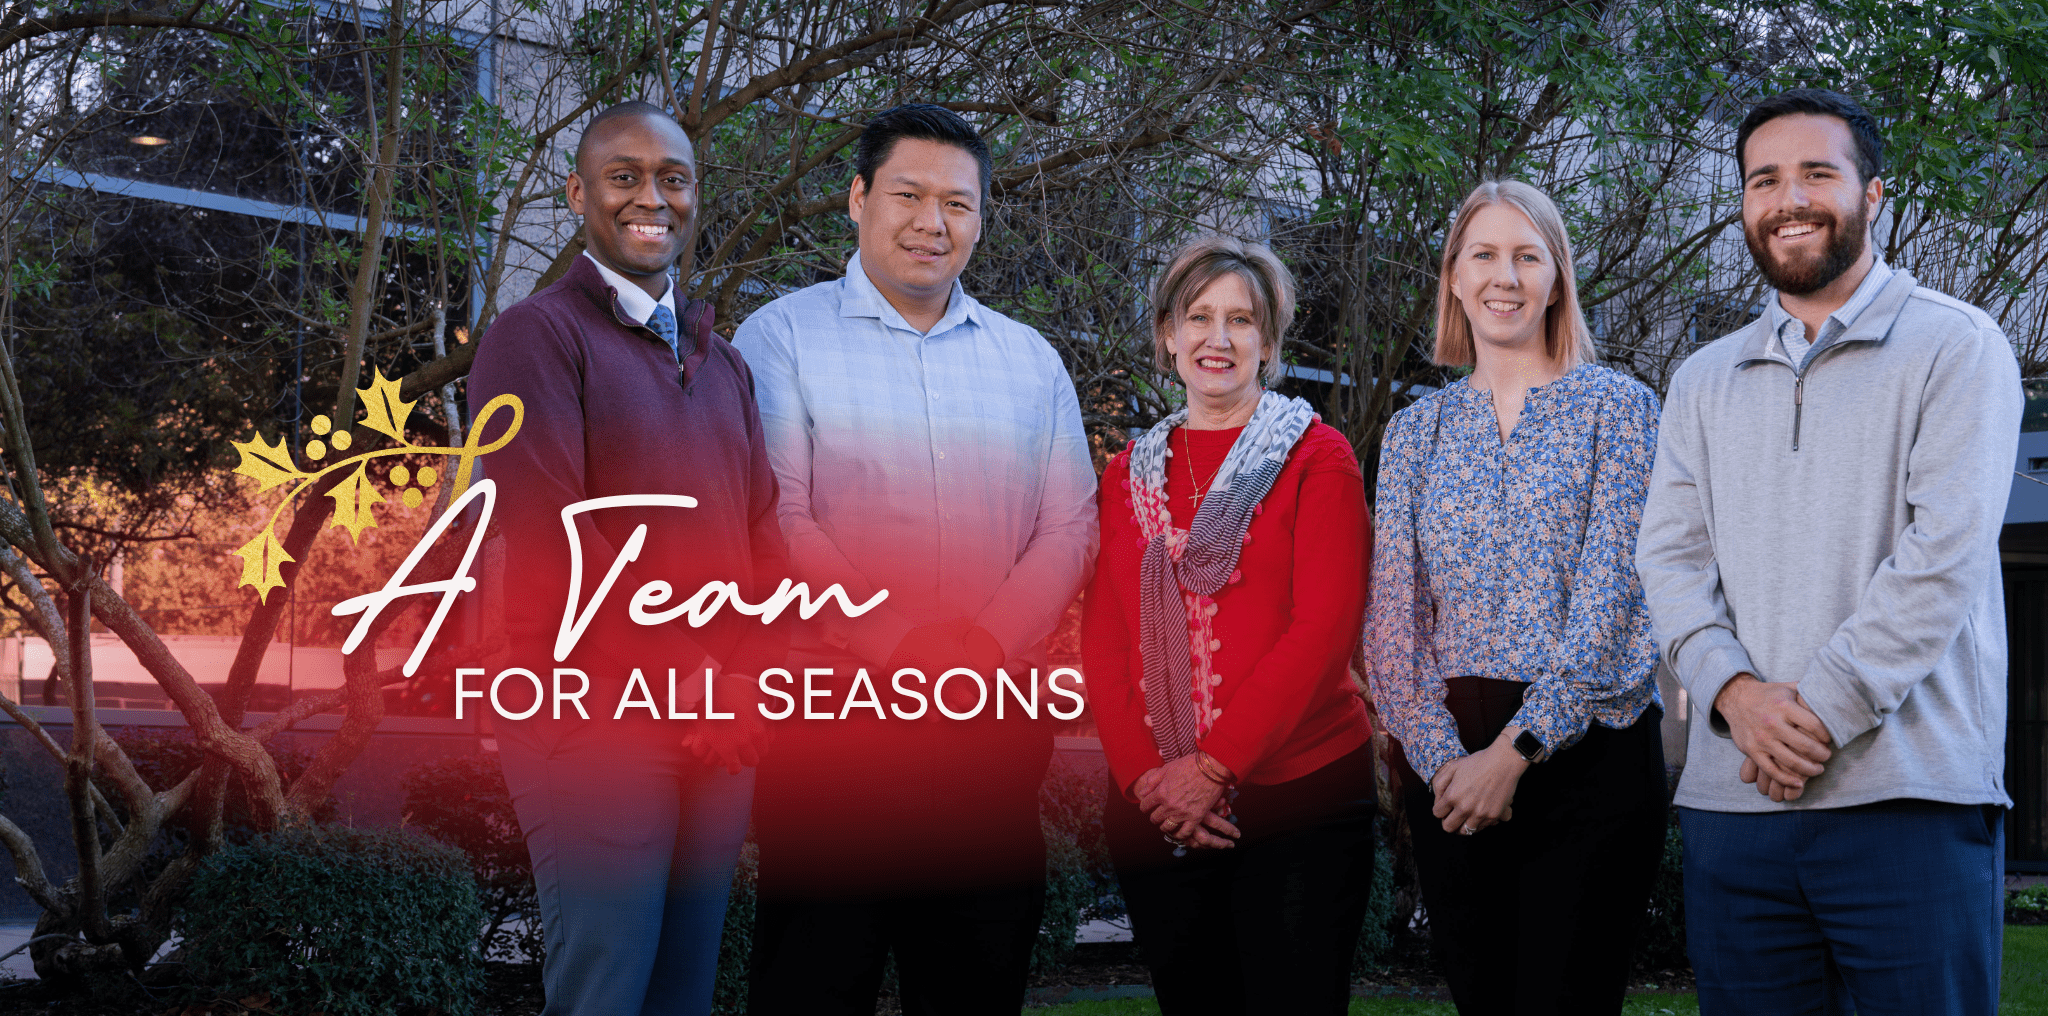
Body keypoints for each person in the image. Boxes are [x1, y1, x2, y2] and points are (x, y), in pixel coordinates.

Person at [1636, 88, 2021, 1015]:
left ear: (1874, 194)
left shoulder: (1957, 347)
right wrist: (1736, 698)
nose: (1789, 197)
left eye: (1817, 172)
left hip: (1907, 801)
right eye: (1765, 179)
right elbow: (1670, 564)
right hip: (1735, 812)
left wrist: (1808, 718)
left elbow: (1943, 557)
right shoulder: (1701, 378)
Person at [732, 103, 1097, 1016]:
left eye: (958, 204)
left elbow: (1070, 530)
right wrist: (901, 645)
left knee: (977, 990)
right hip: (834, 741)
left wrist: (980, 655)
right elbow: (779, 516)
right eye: (908, 193)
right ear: (858, 199)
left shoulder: (1032, 362)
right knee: (811, 989)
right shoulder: (779, 338)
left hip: (990, 737)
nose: (933, 222)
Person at [466, 100, 785, 1016]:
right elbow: (548, 532)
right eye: (625, 176)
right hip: (593, 722)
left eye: (673, 179)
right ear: (579, 194)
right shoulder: (534, 338)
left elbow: (766, 542)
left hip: (721, 729)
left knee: (683, 994)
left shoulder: (725, 366)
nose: (653, 198)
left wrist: (748, 685)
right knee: (605, 987)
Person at [1366, 179, 1668, 1014]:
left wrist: (1517, 752)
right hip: (1452, 772)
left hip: (1590, 757)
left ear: (1557, 278)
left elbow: (1619, 603)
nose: (1506, 276)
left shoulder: (1622, 409)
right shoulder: (1415, 432)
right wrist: (1445, 766)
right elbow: (1394, 623)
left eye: (1527, 256)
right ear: (1455, 278)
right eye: (1485, 255)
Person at [1081, 235, 1377, 1014]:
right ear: (1167, 337)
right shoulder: (1126, 474)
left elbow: (1323, 632)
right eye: (1199, 316)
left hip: (1298, 798)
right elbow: (1107, 639)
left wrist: (1210, 771)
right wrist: (1149, 778)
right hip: (1154, 805)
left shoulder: (1319, 458)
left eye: (1241, 320)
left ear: (1269, 343)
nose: (1219, 338)